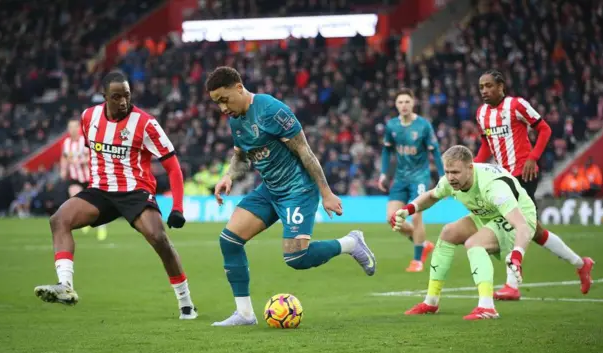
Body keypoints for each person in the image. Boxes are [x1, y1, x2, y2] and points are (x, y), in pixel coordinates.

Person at [205, 66, 376, 327]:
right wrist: (229, 176)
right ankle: (245, 314)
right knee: (229, 241)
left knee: (296, 258)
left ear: (239, 88)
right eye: (217, 103)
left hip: (298, 190)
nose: (222, 108)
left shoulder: (272, 110)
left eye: (224, 100)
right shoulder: (236, 120)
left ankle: (351, 243)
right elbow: (241, 155)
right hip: (270, 190)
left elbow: (305, 151)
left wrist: (326, 192)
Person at [34, 70, 197, 320]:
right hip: (100, 191)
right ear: (104, 97)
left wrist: (178, 208)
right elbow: (95, 155)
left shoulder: (146, 123)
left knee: (158, 238)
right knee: (59, 219)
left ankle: (186, 303)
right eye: (116, 96)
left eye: (127, 96)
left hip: (135, 191)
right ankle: (65, 286)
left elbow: (173, 166)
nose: (123, 101)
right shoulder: (89, 117)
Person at [475, 69, 594, 300]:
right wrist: (473, 167)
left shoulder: (517, 105)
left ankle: (512, 285)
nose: (485, 91)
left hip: (523, 173)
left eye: (489, 86)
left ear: (501, 86)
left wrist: (532, 158)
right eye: (481, 87)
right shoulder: (481, 114)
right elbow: (486, 146)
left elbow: (544, 129)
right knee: (534, 230)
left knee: (510, 224)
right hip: (502, 177)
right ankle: (581, 264)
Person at [394, 145, 536, 320]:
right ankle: (431, 301)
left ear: (470, 168)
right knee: (448, 232)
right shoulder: (450, 180)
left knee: (474, 244)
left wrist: (518, 253)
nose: (451, 177)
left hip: (518, 217)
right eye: (447, 172)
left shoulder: (493, 187)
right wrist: (408, 209)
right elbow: (432, 196)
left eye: (455, 172)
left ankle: (487, 307)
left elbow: (522, 226)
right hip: (487, 213)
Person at [379, 89, 444, 272]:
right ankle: (423, 245)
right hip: (400, 178)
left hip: (419, 178)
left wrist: (442, 175)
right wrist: (384, 173)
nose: (404, 105)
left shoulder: (423, 125)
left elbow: (435, 151)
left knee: (416, 215)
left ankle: (417, 260)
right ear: (396, 105)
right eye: (400, 102)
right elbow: (386, 150)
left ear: (413, 103)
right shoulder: (392, 126)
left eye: (407, 101)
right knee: (391, 219)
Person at [60, 119, 107, 241]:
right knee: (75, 198)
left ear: (79, 128)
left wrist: (80, 161)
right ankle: (84, 221)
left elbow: (93, 156)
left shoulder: (84, 141)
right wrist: (63, 170)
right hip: (75, 178)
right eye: (70, 127)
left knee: (96, 204)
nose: (73, 130)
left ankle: (101, 227)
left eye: (75, 127)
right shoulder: (66, 143)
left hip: (90, 177)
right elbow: (65, 157)